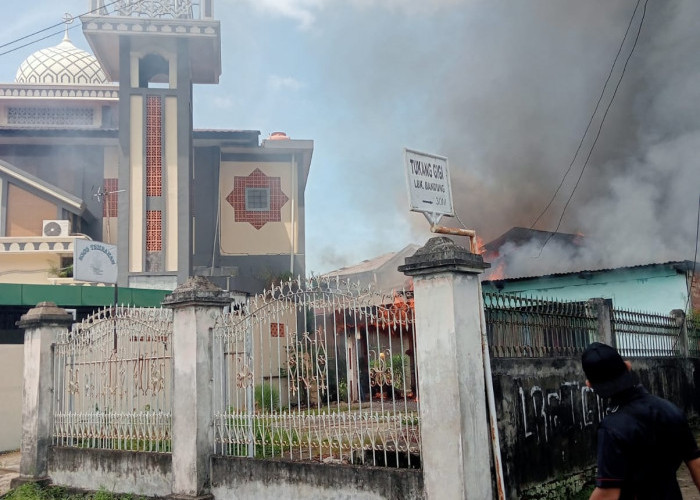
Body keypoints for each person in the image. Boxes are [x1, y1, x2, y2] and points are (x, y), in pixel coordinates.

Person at [581, 342, 700, 500]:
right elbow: (696, 465)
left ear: (589, 384)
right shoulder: (670, 410)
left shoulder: (611, 429)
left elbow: (607, 494)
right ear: (628, 366)